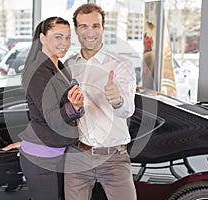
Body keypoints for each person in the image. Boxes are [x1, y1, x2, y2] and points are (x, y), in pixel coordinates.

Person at [64, 3, 137, 200]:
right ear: (76, 30)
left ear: (103, 28)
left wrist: (117, 100)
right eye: (83, 26)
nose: (90, 32)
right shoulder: (69, 65)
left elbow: (128, 110)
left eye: (95, 26)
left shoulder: (121, 65)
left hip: (114, 158)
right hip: (78, 154)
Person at [19, 16, 84, 200]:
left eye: (68, 37)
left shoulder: (60, 67)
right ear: (42, 38)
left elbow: (72, 110)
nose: (64, 43)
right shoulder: (37, 70)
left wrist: (77, 107)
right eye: (58, 37)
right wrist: (75, 107)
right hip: (41, 157)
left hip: (58, 152)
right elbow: (51, 117)